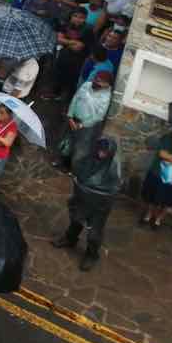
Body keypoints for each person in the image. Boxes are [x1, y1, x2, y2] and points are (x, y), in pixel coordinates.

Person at [52, 137, 122, 271]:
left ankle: (91, 255)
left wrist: (90, 189)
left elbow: (112, 190)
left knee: (94, 233)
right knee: (76, 220)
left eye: (104, 152)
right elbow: (79, 171)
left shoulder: (112, 169)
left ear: (110, 153)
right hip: (82, 199)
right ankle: (70, 239)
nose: (101, 154)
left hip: (99, 206)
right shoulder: (89, 158)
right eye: (100, 150)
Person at [58, 69, 112, 171]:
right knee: (67, 142)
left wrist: (81, 125)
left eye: (99, 81)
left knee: (81, 148)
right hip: (73, 119)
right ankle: (63, 162)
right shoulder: (87, 85)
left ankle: (73, 169)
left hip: (86, 126)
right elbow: (75, 99)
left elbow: (99, 116)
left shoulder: (106, 97)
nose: (96, 81)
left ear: (106, 84)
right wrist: (70, 116)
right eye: (96, 78)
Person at [140, 128, 172, 231]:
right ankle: (148, 215)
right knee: (151, 197)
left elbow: (166, 156)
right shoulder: (168, 137)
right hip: (158, 172)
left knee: (168, 201)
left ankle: (158, 219)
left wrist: (170, 158)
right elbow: (161, 153)